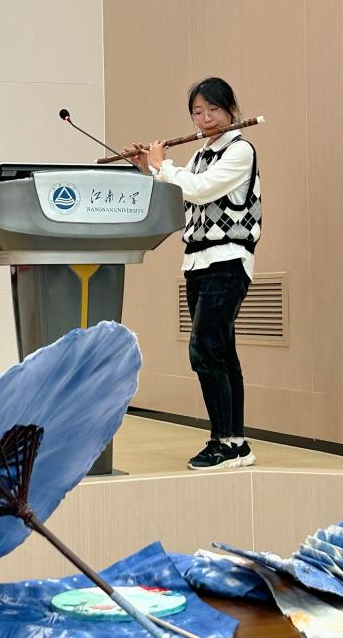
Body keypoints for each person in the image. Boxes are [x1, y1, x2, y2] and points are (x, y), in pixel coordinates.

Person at [132, 77, 262, 470]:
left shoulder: (240, 151)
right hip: (198, 263)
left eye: (213, 110)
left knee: (204, 349)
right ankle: (236, 443)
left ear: (231, 110)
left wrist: (163, 165)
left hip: (228, 261)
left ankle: (222, 441)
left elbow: (201, 189)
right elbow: (180, 194)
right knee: (221, 352)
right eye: (197, 112)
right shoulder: (200, 155)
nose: (205, 119)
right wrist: (148, 168)